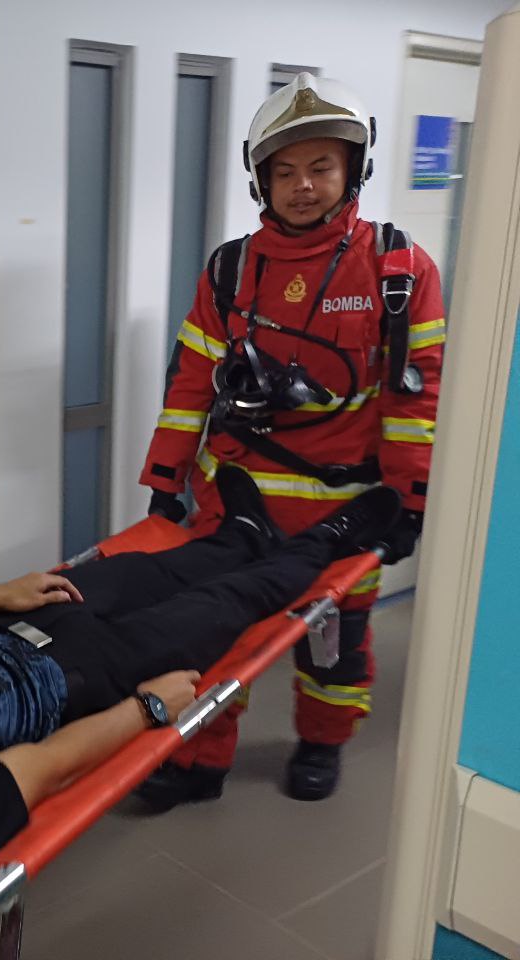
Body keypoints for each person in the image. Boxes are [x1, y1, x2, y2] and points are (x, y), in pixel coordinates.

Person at [0, 468, 401, 883]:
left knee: (159, 571)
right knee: (228, 604)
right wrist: (145, 710)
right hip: (76, 674)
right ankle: (330, 539)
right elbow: (43, 766)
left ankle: (243, 533)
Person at [138, 73, 446, 807]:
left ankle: (320, 744)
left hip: (343, 511)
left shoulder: (400, 271)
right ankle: (199, 761)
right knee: (214, 637)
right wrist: (164, 478)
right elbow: (191, 382)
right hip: (234, 500)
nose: (302, 186)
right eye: (284, 172)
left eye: (320, 167)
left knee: (332, 652)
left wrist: (410, 501)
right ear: (261, 181)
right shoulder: (231, 269)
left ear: (352, 170)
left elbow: (416, 399)